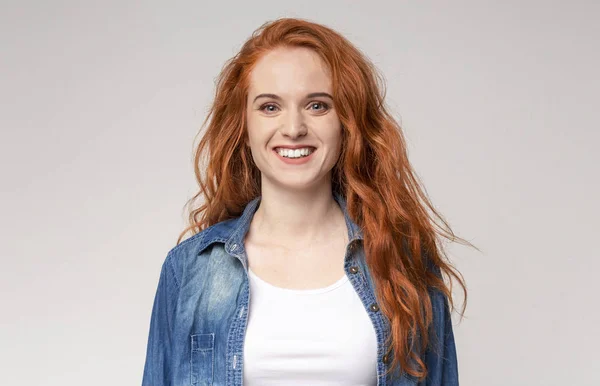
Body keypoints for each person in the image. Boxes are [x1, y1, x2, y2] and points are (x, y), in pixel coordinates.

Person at [142, 17, 474, 386]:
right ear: (244, 125)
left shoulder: (400, 260)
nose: (294, 127)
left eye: (317, 106)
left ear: (347, 123)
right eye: (270, 107)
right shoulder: (190, 269)